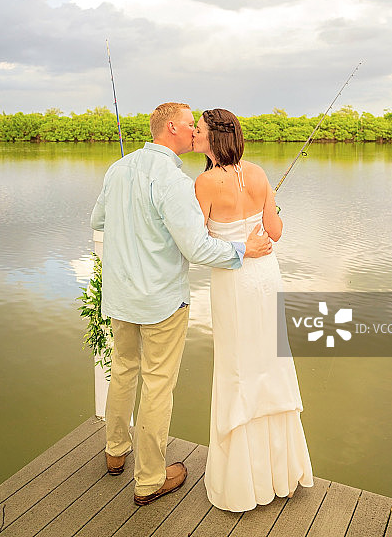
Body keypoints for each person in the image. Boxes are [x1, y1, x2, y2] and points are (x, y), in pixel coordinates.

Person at [90, 102, 272, 506]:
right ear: (171, 128)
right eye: (191, 126)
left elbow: (97, 221)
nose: (195, 133)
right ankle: (150, 479)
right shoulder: (174, 181)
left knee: (123, 371)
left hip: (120, 295)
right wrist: (244, 250)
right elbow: (196, 247)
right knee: (157, 385)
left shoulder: (119, 169)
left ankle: (115, 451)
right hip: (160, 300)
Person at [193, 108, 313, 512]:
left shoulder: (205, 183)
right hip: (266, 278)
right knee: (271, 362)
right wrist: (268, 211)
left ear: (213, 139)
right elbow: (275, 233)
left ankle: (245, 480)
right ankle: (282, 475)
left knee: (237, 367)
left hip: (234, 283)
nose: (196, 134)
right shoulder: (260, 173)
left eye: (200, 130)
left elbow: (198, 246)